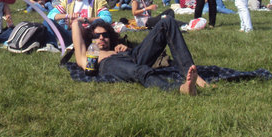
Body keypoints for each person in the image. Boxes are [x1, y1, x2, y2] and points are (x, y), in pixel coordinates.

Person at [70, 16, 204, 95]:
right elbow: (76, 27)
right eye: (96, 36)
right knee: (139, 71)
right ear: (90, 38)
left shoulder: (117, 48)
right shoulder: (88, 55)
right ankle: (181, 88)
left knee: (167, 21)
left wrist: (126, 49)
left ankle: (195, 76)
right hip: (109, 64)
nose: (101, 38)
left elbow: (133, 55)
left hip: (132, 56)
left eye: (105, 35)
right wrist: (79, 20)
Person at [46, 0, 111, 47]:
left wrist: (85, 19)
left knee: (97, 22)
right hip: (71, 33)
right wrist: (68, 15)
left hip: (89, 34)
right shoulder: (68, 1)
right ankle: (52, 45)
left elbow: (107, 19)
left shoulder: (96, 0)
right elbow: (50, 15)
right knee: (48, 21)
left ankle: (78, 45)